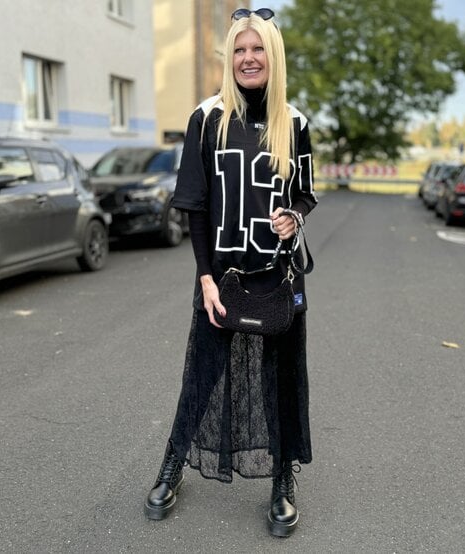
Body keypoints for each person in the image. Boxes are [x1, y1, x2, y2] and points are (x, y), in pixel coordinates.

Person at [143, 7, 318, 538]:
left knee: (279, 379)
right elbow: (194, 204)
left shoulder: (296, 123)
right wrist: (203, 276)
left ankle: (283, 479)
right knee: (202, 372)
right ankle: (173, 464)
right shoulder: (208, 118)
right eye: (239, 50)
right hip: (222, 278)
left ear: (273, 56)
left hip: (278, 277)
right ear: (230, 58)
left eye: (257, 48)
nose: (247, 58)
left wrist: (293, 216)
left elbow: (304, 193)